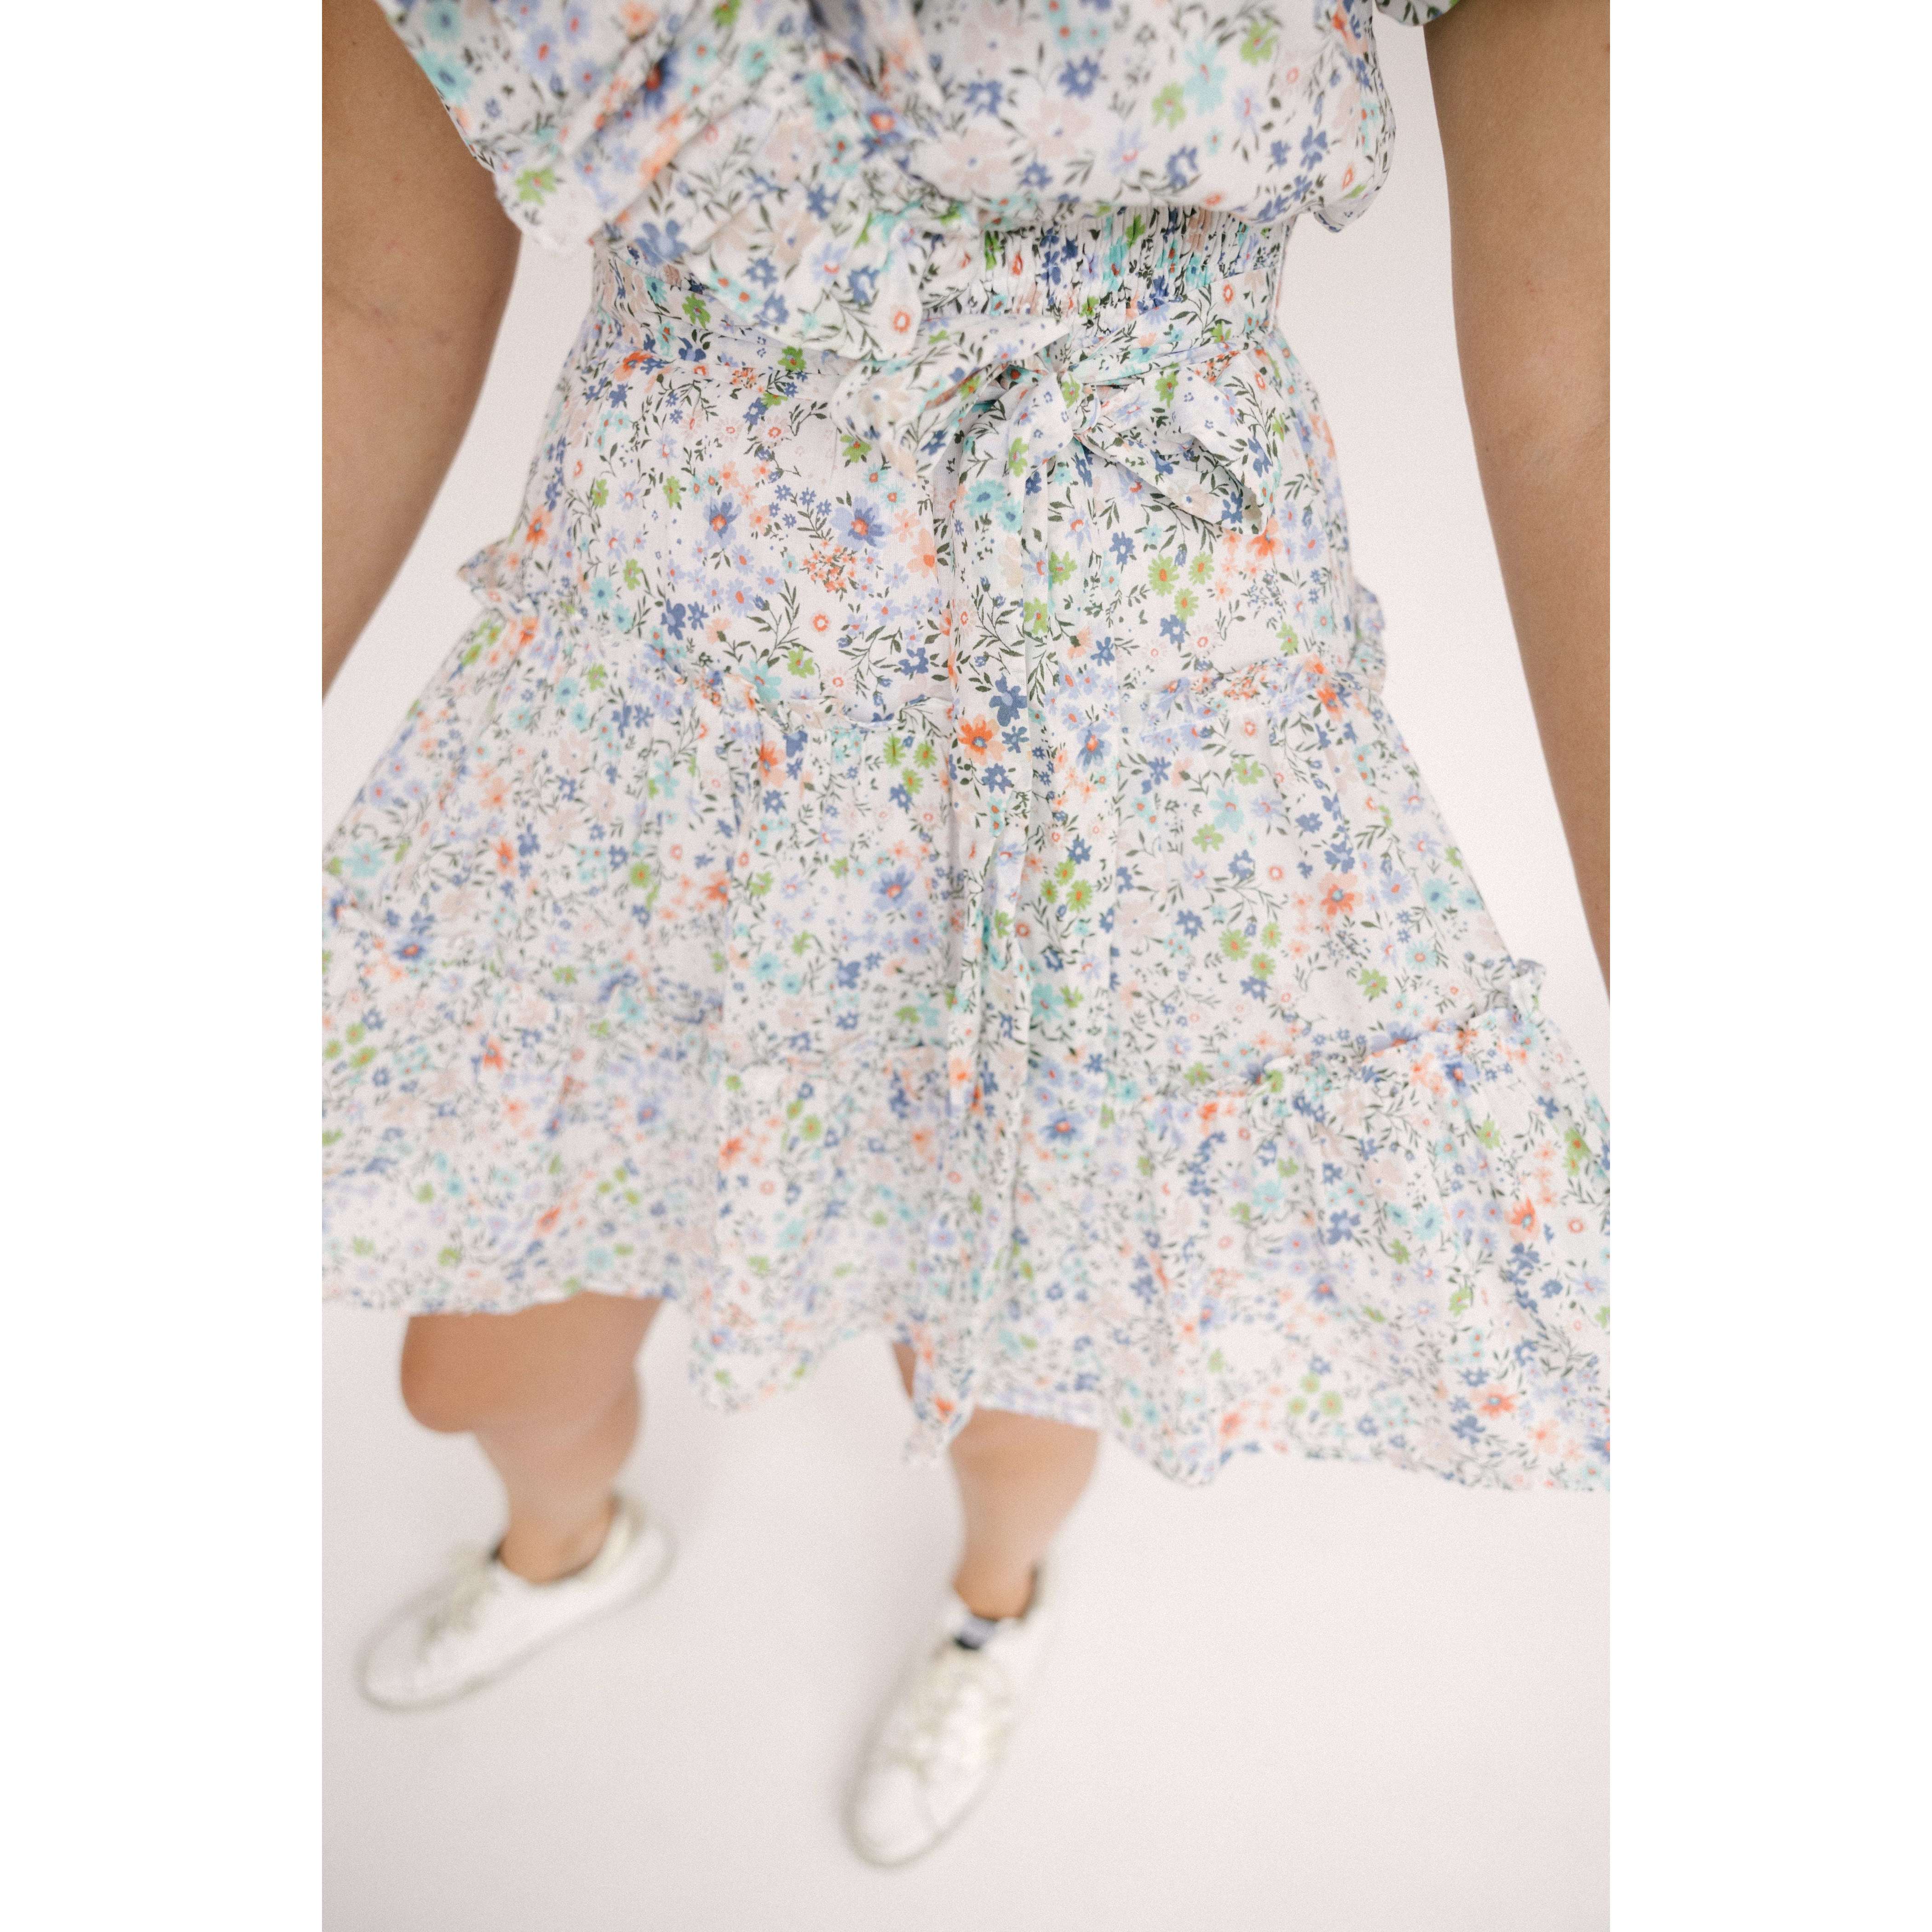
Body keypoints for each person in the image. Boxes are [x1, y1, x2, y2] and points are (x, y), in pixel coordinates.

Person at [323, 0, 1608, 1867]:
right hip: (660, 712)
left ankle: (993, 1609)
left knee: (1013, 1378)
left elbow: (1594, 401)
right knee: (478, 1363)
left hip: (1116, 746)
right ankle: (567, 1545)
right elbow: (363, 304)